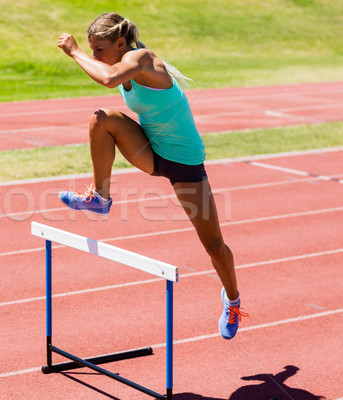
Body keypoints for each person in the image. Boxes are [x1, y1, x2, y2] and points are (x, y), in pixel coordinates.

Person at [57, 12, 247, 339]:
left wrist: (74, 51)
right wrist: (85, 54)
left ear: (120, 44)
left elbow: (108, 78)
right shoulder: (118, 64)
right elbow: (109, 74)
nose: (94, 56)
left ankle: (233, 300)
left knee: (214, 246)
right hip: (151, 150)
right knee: (101, 119)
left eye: (98, 50)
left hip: (185, 165)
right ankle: (100, 198)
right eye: (91, 50)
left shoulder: (142, 59)